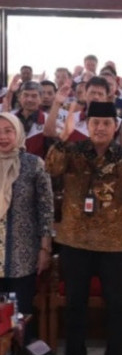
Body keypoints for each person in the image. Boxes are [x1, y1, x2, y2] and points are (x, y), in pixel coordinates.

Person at [45, 101, 122, 355]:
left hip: (113, 243)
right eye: (94, 123)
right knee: (76, 304)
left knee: (115, 305)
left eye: (106, 123)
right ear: (86, 126)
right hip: (75, 239)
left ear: (115, 127)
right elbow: (51, 169)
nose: (100, 128)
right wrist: (63, 138)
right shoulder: (73, 151)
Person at [0, 112, 53, 342]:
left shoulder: (33, 164)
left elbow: (45, 210)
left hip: (22, 256)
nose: (2, 136)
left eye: (8, 131)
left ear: (18, 133)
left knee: (21, 314)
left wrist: (45, 249)